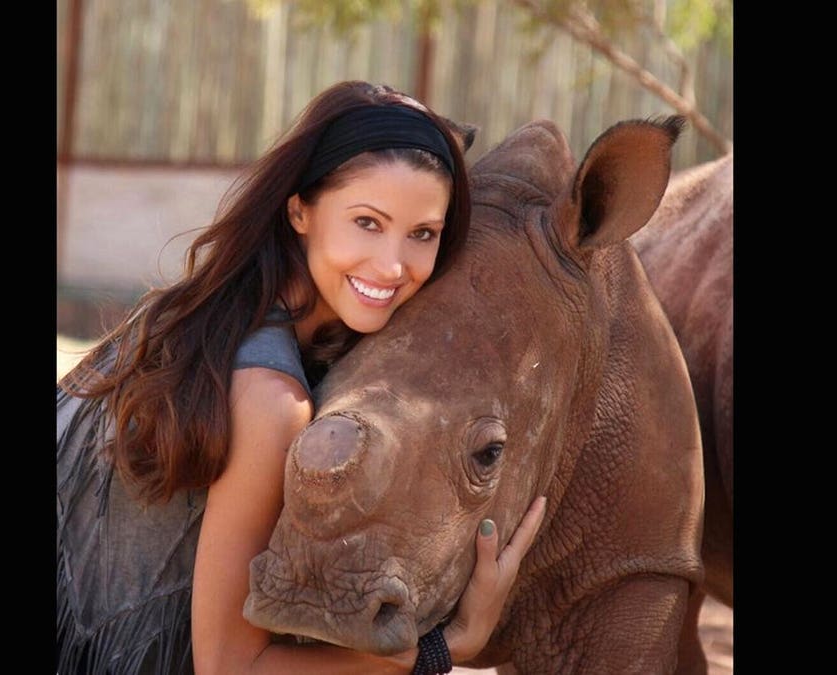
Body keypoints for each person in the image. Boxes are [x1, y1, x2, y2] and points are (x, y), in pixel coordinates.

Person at [57, 80, 548, 675]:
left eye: (422, 234)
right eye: (367, 222)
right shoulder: (271, 399)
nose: (392, 265)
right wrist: (447, 648)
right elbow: (230, 666)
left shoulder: (213, 308)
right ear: (300, 211)